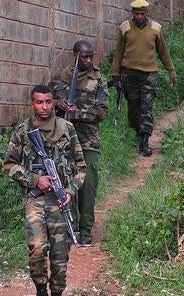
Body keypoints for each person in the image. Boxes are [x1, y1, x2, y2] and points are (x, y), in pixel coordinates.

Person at [3, 85, 86, 296]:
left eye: (48, 102)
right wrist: (35, 179)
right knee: (37, 248)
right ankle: (41, 295)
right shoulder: (23, 132)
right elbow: (9, 165)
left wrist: (70, 190)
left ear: (54, 102)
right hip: (36, 200)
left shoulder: (67, 129)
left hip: (61, 203)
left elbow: (81, 168)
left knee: (60, 256)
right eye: (39, 102)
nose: (45, 107)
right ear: (32, 104)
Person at [49, 40, 110, 246]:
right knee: (66, 184)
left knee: (88, 186)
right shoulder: (60, 78)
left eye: (91, 56)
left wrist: (76, 112)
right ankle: (70, 226)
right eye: (84, 56)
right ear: (75, 55)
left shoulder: (98, 78)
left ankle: (85, 229)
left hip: (88, 141)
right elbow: (46, 105)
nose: (89, 60)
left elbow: (102, 112)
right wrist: (58, 104)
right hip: (63, 141)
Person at [110, 0, 177, 157]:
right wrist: (115, 75)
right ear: (132, 14)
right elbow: (118, 52)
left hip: (149, 75)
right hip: (129, 74)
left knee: (146, 107)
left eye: (142, 13)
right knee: (134, 108)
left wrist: (171, 72)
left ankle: (145, 141)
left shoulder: (155, 28)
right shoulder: (125, 27)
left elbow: (163, 52)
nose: (139, 16)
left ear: (147, 13)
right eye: (136, 14)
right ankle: (137, 132)